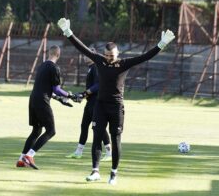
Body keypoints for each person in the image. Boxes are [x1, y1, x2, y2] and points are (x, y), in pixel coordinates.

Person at [57, 18, 175, 185]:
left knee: (115, 139)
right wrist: (68, 33)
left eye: (111, 56)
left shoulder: (124, 64)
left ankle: (113, 174)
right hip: (100, 105)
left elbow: (145, 56)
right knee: (97, 136)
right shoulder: (100, 60)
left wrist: (161, 44)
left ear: (117, 54)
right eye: (106, 55)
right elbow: (82, 48)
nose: (108, 58)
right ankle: (95, 171)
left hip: (116, 107)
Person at [16, 45, 81, 169]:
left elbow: (45, 88)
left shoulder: (42, 65)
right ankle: (29, 156)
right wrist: (71, 95)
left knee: (36, 131)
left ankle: (21, 159)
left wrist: (60, 99)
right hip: (42, 101)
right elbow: (56, 89)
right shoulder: (54, 67)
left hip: (33, 99)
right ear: (58, 54)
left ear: (49, 53)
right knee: (51, 131)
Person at [65, 48, 112, 161]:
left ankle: (109, 152)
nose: (85, 57)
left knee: (99, 128)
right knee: (84, 126)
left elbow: (98, 85)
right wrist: (83, 95)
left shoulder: (96, 67)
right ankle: (78, 151)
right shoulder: (91, 68)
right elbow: (91, 88)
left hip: (96, 103)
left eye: (86, 55)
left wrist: (85, 93)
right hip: (90, 102)